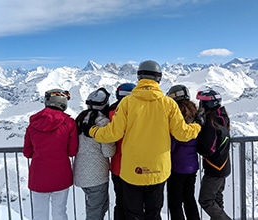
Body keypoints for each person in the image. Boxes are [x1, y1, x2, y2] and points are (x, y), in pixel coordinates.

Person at [82, 60, 201, 220]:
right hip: (158, 171)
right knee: (153, 213)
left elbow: (112, 134)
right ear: (158, 78)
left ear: (139, 77)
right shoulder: (169, 104)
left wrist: (92, 130)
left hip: (132, 172)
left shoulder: (127, 103)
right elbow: (182, 134)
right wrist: (197, 126)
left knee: (133, 214)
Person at [23, 89, 78, 220]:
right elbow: (72, 151)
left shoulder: (33, 123)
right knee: (59, 212)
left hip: (38, 176)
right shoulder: (69, 123)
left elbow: (27, 152)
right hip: (61, 175)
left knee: (39, 214)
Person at [73, 88, 116, 220]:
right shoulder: (102, 122)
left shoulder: (80, 119)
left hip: (80, 173)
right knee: (96, 212)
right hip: (96, 176)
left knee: (95, 208)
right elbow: (108, 151)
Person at [195, 89, 231, 220]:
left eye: (203, 102)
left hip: (214, 168)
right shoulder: (222, 116)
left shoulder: (211, 123)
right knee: (217, 200)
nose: (200, 105)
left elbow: (207, 149)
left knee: (206, 200)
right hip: (223, 165)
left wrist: (197, 139)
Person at [166, 85, 200, 220]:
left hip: (176, 166)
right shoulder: (195, 113)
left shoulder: (175, 114)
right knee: (189, 199)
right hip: (192, 166)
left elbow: (173, 143)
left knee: (175, 203)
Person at [109, 82, 136, 220]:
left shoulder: (110, 113)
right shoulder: (138, 114)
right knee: (135, 205)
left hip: (117, 166)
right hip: (134, 166)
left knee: (120, 202)